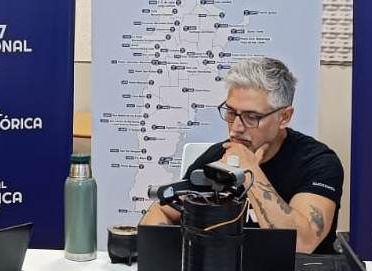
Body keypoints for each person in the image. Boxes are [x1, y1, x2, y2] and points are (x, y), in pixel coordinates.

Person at [141, 57, 344, 253]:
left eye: (252, 117)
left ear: (284, 117)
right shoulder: (216, 157)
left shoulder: (318, 163)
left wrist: (249, 170)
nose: (236, 128)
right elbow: (162, 211)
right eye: (231, 113)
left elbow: (301, 243)